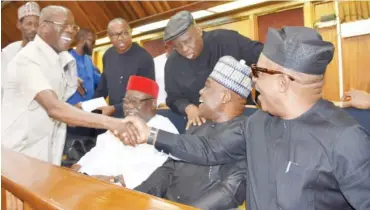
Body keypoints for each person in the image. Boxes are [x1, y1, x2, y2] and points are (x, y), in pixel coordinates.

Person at [121, 27, 370, 209]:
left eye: (258, 71)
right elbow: (208, 149)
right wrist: (150, 135)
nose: (254, 81)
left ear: (282, 83)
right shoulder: (258, 123)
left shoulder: (346, 139)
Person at [1, 6, 129, 165]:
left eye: (73, 27)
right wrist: (113, 123)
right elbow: (54, 108)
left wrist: (79, 109)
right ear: (44, 27)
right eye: (64, 25)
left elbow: (57, 106)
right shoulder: (26, 60)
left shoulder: (62, 60)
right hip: (18, 155)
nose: (71, 31)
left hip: (46, 153)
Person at [135, 56, 252, 210]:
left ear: (224, 97)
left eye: (207, 86)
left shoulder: (245, 132)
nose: (201, 91)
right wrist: (137, 197)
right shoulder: (198, 124)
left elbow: (229, 191)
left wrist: (151, 134)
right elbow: (169, 168)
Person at [71, 76, 178, 189]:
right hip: (92, 184)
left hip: (129, 193)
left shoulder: (163, 128)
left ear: (153, 104)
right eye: (126, 101)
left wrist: (113, 180)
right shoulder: (120, 123)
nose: (129, 106)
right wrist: (80, 165)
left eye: (135, 101)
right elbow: (99, 149)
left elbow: (157, 169)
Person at [164, 11, 263, 128]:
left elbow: (261, 54)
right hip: (202, 124)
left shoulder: (227, 40)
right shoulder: (172, 64)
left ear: (198, 31)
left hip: (241, 120)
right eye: (178, 46)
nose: (184, 49)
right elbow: (173, 98)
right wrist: (188, 107)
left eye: (187, 41)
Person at [93, 18, 155, 117]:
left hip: (136, 116)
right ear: (108, 37)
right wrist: (86, 106)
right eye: (115, 35)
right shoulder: (108, 55)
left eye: (124, 33)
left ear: (131, 33)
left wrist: (114, 108)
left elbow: (144, 97)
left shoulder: (144, 58)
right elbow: (103, 88)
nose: (120, 38)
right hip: (113, 117)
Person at [2, 2, 40, 98]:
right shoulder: (8, 52)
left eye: (37, 25)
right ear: (19, 25)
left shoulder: (47, 52)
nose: (33, 29)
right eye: (29, 24)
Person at [67, 28, 101, 106]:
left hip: (88, 108)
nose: (93, 45)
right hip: (72, 108)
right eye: (91, 41)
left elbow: (97, 79)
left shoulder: (88, 60)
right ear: (81, 40)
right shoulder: (68, 59)